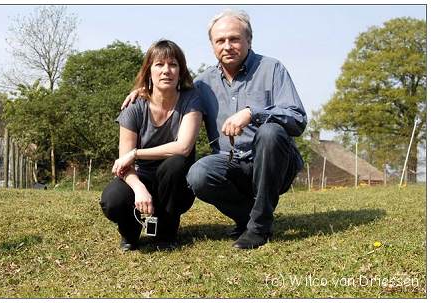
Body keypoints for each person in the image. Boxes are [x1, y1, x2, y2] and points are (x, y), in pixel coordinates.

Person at [122, 10, 307, 249]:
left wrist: (253, 113)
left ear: (249, 40)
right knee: (198, 173)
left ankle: (258, 227)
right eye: (220, 40)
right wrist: (143, 91)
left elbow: (298, 118)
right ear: (212, 45)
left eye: (234, 39)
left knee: (270, 132)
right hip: (231, 164)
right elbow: (171, 90)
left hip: (274, 163)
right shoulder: (202, 84)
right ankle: (250, 217)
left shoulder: (272, 69)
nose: (227, 46)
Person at [100, 39, 203, 251]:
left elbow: (183, 147)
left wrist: (136, 153)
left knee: (175, 163)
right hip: (140, 176)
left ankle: (166, 230)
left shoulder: (191, 99)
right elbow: (123, 165)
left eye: (173, 64)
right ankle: (130, 230)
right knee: (113, 199)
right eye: (159, 64)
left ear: (181, 71)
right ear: (149, 71)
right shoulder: (133, 108)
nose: (167, 70)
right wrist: (139, 189)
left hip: (174, 184)